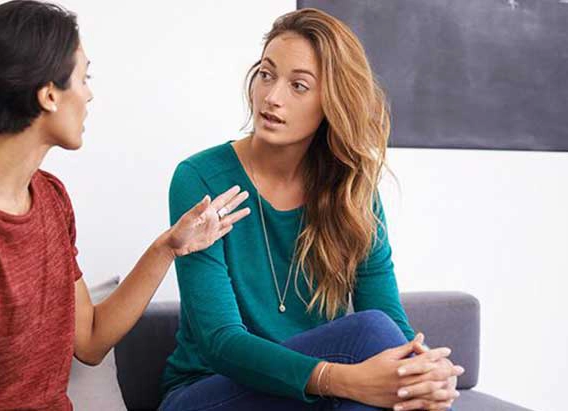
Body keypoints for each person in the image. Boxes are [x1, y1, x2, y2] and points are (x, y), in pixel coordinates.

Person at [0, 1, 249, 410]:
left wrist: (168, 248)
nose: (90, 93)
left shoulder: (50, 196)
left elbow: (91, 339)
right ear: (48, 94)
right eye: (84, 77)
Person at [160, 8, 464, 411]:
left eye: (298, 85)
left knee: (391, 376)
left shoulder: (351, 189)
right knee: (369, 340)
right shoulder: (201, 179)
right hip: (212, 392)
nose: (272, 96)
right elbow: (221, 342)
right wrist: (341, 379)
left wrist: (421, 369)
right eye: (266, 74)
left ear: (332, 101)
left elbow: (388, 315)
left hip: (311, 398)